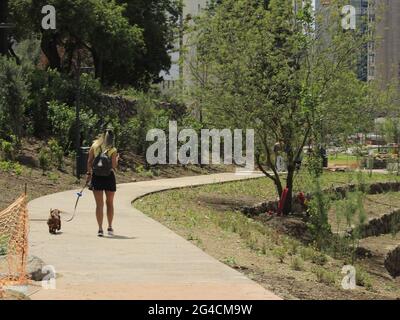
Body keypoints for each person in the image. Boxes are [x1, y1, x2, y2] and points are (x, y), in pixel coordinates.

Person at [86, 128, 119, 237]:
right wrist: (117, 159)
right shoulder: (112, 149)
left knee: (99, 205)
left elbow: (89, 162)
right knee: (109, 203)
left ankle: (100, 229)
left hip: (96, 177)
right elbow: (114, 166)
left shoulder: (94, 146)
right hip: (109, 177)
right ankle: (109, 227)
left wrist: (89, 174)